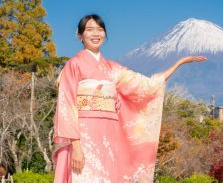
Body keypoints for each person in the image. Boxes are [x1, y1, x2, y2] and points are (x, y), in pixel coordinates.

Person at [52, 14, 207, 183]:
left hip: (108, 135)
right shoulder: (73, 64)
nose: (96, 34)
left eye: (100, 30)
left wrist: (180, 63)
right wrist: (76, 147)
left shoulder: (113, 68)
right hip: (84, 135)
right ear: (80, 35)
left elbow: (147, 85)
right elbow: (67, 105)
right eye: (89, 30)